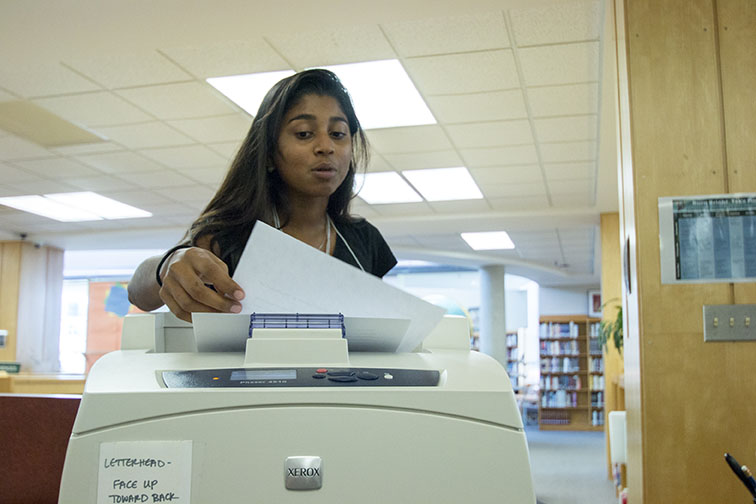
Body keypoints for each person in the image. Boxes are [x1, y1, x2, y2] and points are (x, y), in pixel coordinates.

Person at [127, 69, 397, 322]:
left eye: (338, 134)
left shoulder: (364, 239)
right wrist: (166, 266)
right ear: (268, 153)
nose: (326, 147)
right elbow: (138, 293)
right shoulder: (230, 236)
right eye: (304, 134)